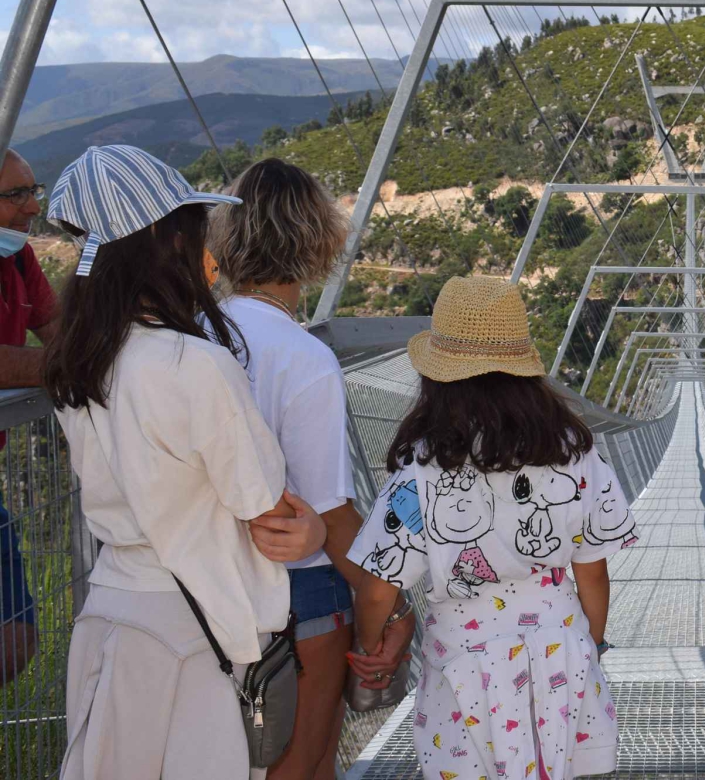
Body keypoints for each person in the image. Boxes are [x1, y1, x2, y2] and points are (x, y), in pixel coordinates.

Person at [42, 145, 327, 780]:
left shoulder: (81, 362)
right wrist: (311, 532)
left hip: (111, 615)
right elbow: (266, 512)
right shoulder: (193, 364)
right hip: (195, 633)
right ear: (169, 239)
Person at [348, 276, 636, 780]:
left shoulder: (423, 467)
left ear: (437, 378)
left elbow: (377, 589)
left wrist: (372, 646)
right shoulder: (573, 451)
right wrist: (591, 644)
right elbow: (592, 571)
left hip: (466, 662)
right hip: (560, 648)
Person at [208, 157, 413, 780]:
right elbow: (330, 512)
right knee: (306, 763)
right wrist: (390, 606)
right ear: (316, 241)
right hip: (301, 596)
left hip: (205, 587)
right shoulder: (304, 356)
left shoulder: (190, 337)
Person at [0, 148, 57, 685]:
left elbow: (62, 333)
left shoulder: (19, 259)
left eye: (32, 190)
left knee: (16, 640)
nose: (32, 206)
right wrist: (67, 367)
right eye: (15, 194)